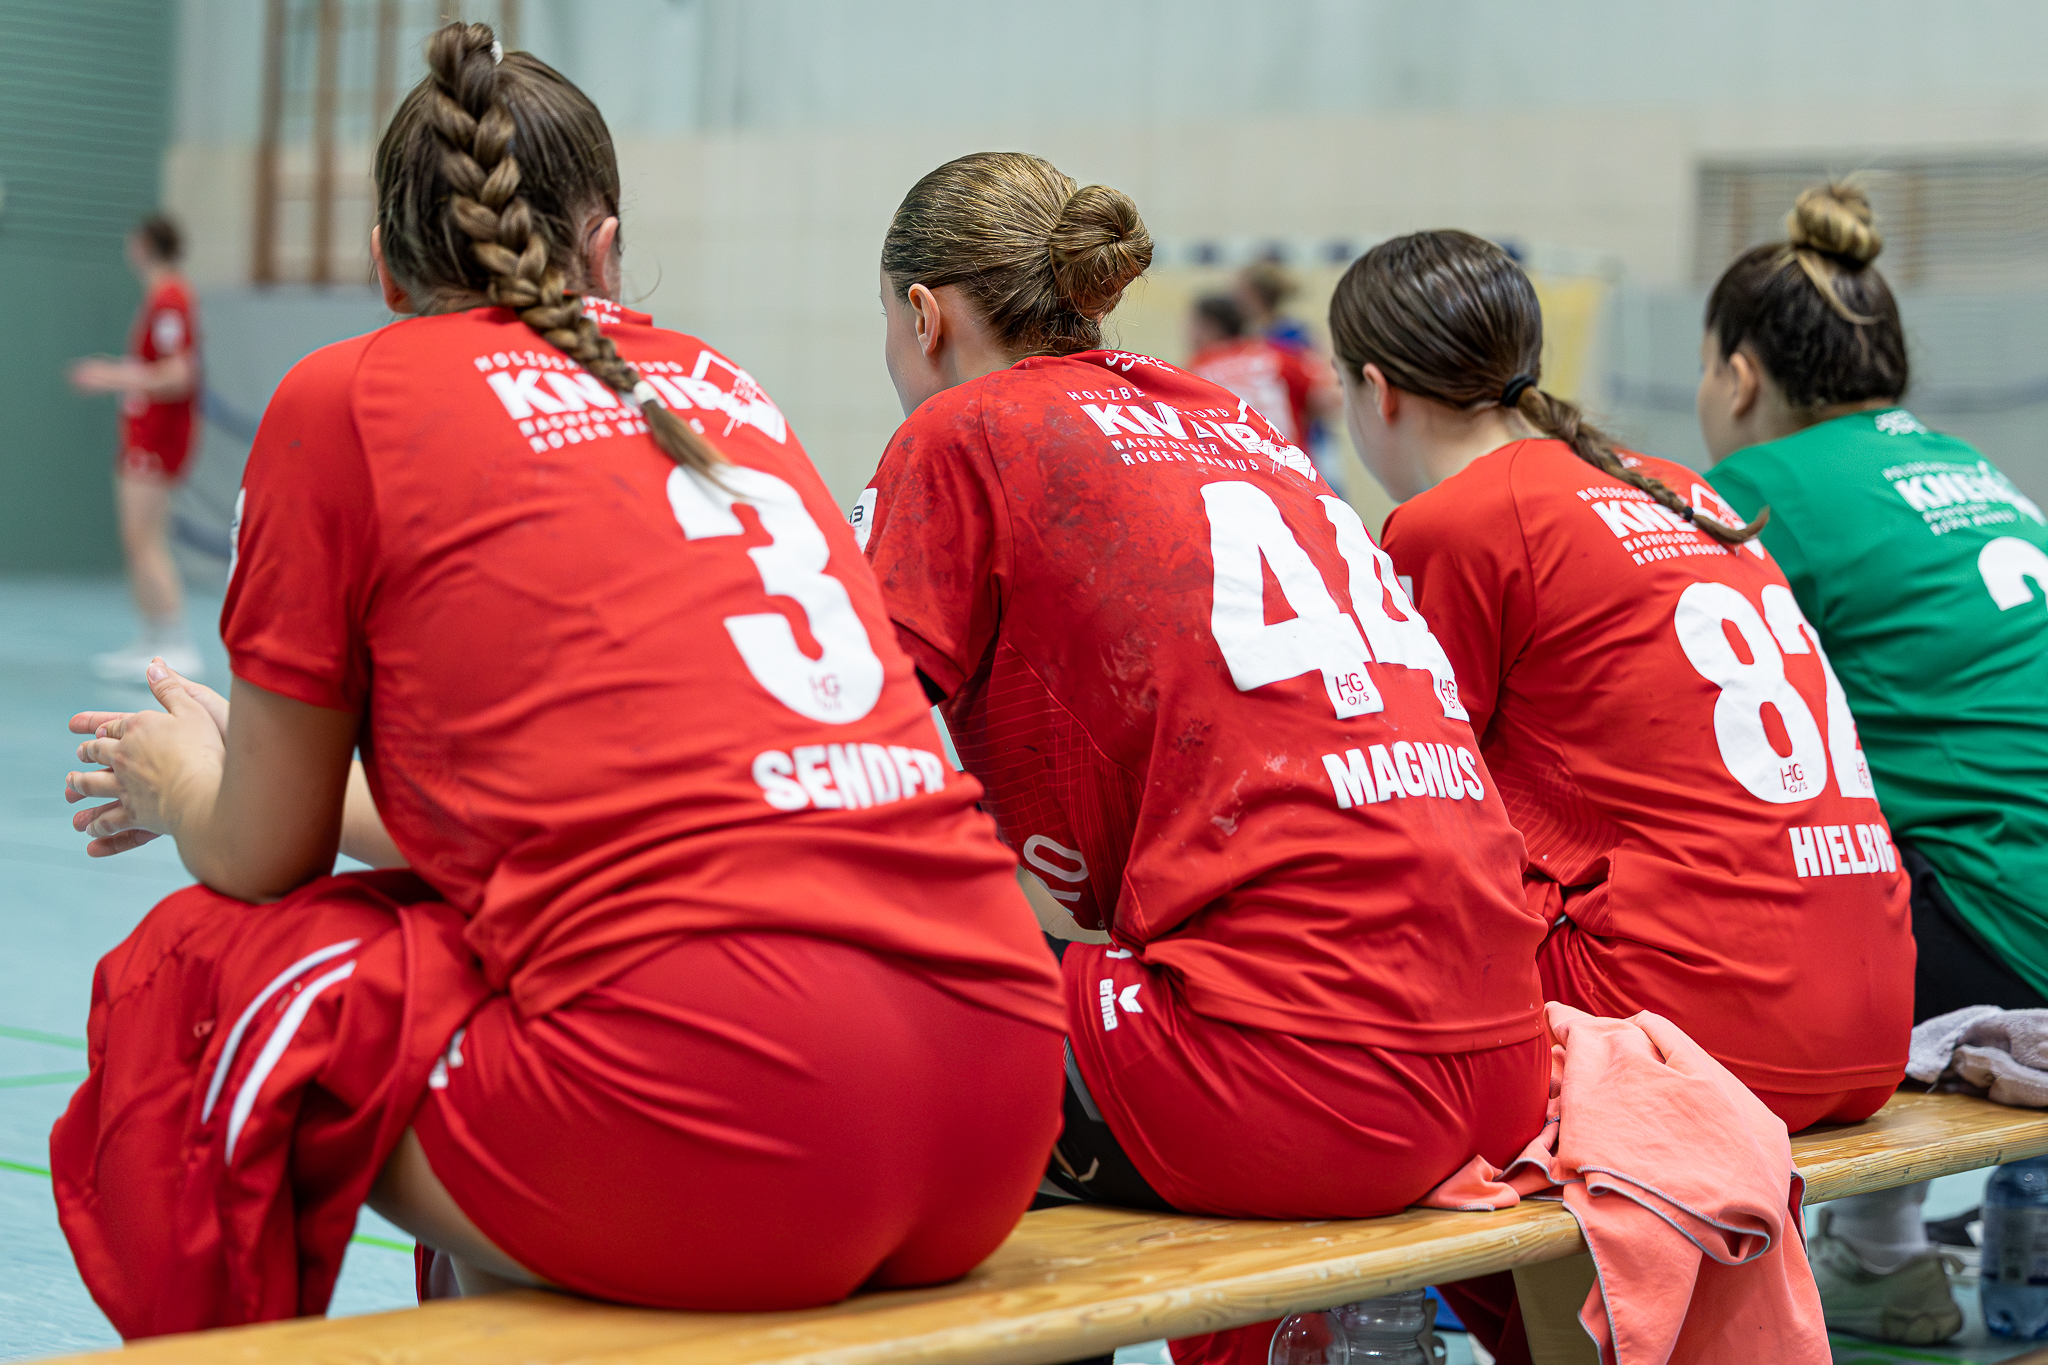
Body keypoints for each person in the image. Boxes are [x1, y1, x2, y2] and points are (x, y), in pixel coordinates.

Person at [54, 25, 1064, 1332]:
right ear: (605, 253)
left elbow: (264, 853)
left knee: (201, 966)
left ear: (384, 267)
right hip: (998, 1103)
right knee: (486, 947)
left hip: (737, 1136)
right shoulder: (722, 389)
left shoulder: (348, 394)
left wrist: (181, 775)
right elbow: (589, 808)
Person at [858, 152, 1551, 1365]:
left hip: (1304, 1076)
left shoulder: (960, 432)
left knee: (883, 1020)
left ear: (922, 315)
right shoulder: (1241, 429)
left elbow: (847, 752)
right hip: (1502, 1052)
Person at [1344, 230, 1915, 1361]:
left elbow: (1406, 808)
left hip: (1715, 1011)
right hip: (1869, 1010)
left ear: (1375, 391)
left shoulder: (1454, 519)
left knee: (1330, 1009)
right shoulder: (1672, 483)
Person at [1701, 183, 2048, 1345]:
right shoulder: (1971, 467)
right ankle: (1882, 1251)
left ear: (1735, 377)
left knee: (1727, 882)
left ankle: (1860, 1255)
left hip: (2000, 921)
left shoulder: (1759, 489)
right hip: (2011, 891)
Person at [68, 214, 205, 680]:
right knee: (138, 536)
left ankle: (175, 640)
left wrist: (110, 375)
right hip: (144, 433)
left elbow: (177, 374)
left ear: (145, 245)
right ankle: (154, 636)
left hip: (158, 436)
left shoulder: (170, 298)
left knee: (144, 537)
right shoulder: (162, 296)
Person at [1185, 292, 1331, 449]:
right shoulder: (1276, 356)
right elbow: (1327, 399)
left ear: (1208, 327)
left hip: (1234, 459)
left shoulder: (1199, 369)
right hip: (1289, 457)